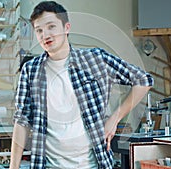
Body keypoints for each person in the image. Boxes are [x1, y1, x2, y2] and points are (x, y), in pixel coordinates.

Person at [10, 1, 153, 169]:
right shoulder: (30, 70)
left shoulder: (95, 59)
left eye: (51, 27)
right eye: (39, 30)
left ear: (66, 28)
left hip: (92, 165)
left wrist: (114, 119)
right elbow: (21, 122)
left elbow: (143, 80)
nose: (45, 35)